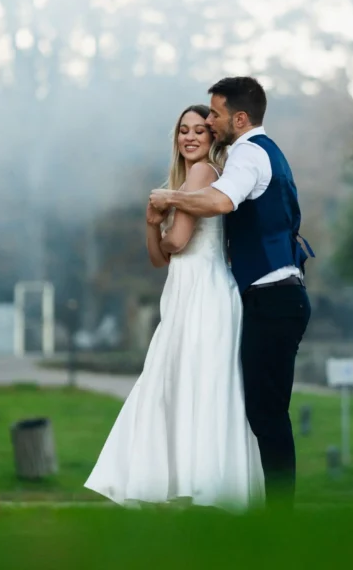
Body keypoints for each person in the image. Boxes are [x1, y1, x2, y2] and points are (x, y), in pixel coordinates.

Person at [84, 104, 265, 510]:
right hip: (186, 294)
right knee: (188, 386)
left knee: (185, 385)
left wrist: (160, 221)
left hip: (204, 294)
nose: (190, 137)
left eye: (200, 131)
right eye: (183, 130)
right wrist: (153, 224)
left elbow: (177, 242)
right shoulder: (179, 183)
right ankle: (194, 488)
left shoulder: (202, 175)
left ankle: (192, 489)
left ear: (213, 137)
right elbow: (159, 258)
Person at [149, 77, 313, 506]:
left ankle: (279, 516)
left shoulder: (249, 155)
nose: (210, 123)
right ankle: (268, 509)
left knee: (267, 413)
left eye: (215, 115)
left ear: (239, 118)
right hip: (272, 297)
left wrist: (167, 199)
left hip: (274, 298)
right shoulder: (260, 153)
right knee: (262, 410)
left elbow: (220, 202)